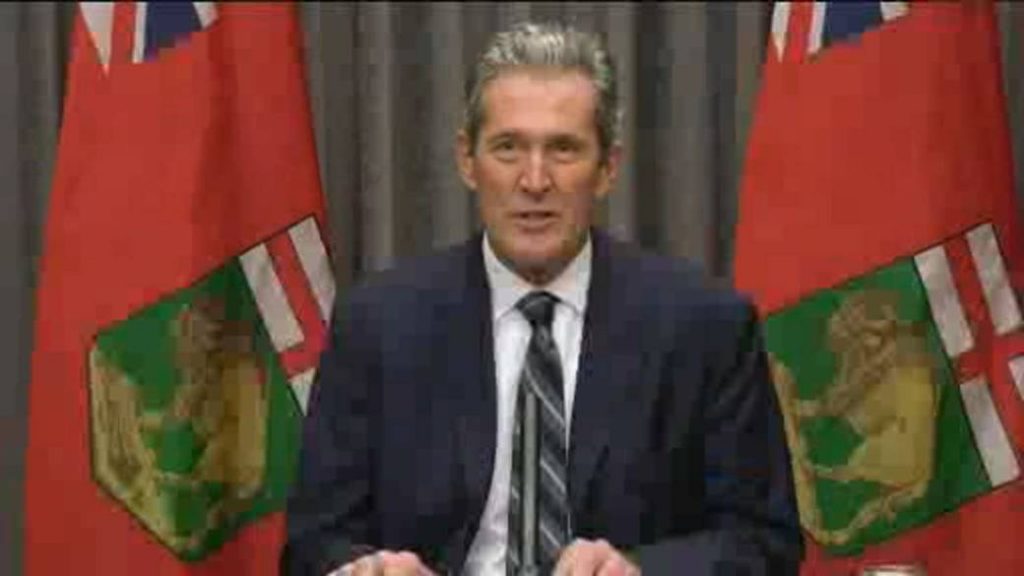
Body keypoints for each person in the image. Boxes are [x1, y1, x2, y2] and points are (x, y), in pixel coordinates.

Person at [282, 21, 802, 576]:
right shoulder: (379, 324)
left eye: (563, 149)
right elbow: (313, 544)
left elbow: (764, 544)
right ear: (467, 160)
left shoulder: (705, 326)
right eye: (508, 148)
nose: (534, 180)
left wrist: (638, 571)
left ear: (607, 168)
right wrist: (368, 570)